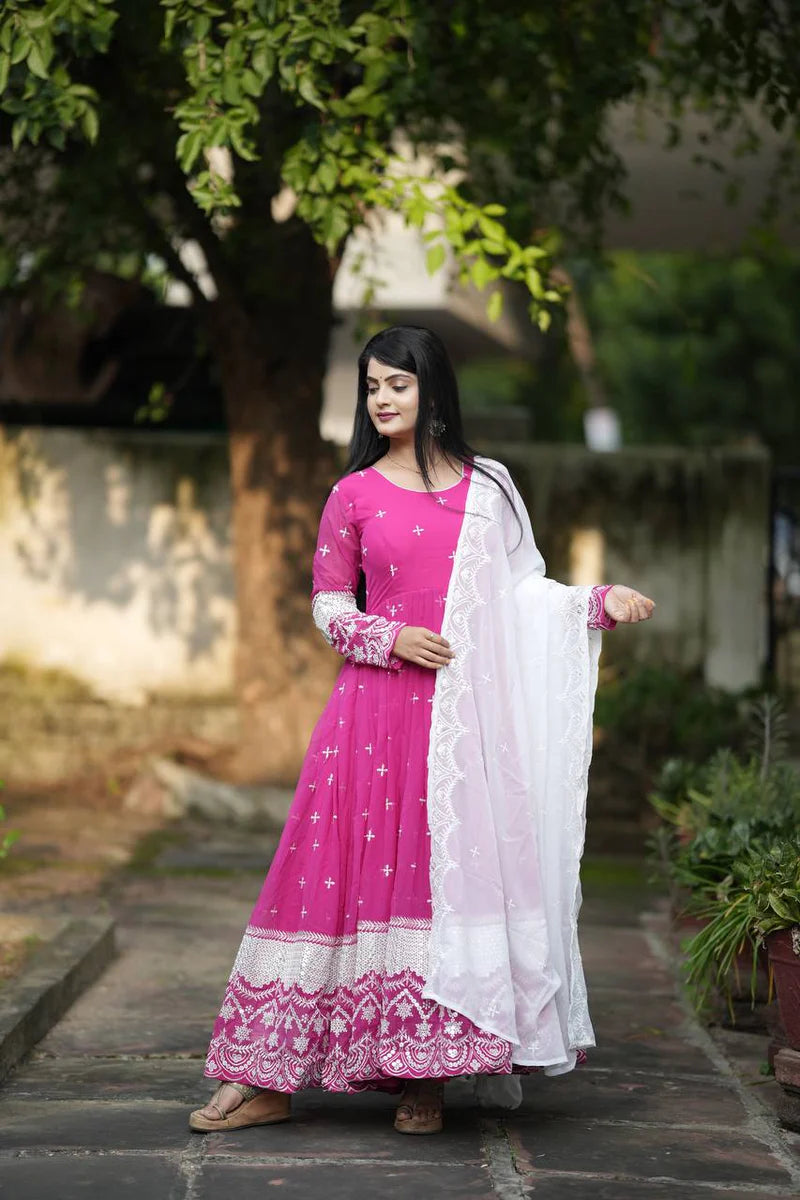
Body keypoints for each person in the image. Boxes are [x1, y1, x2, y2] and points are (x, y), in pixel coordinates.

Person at [189, 324, 655, 1135]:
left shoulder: (491, 488)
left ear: (433, 390)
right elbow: (329, 604)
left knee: (438, 882)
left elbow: (522, 592)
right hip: (371, 713)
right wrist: (389, 637)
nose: (382, 399)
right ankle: (263, 1077)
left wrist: (593, 603)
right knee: (325, 876)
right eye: (373, 386)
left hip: (463, 725)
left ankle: (426, 1077)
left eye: (397, 385)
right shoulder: (355, 493)